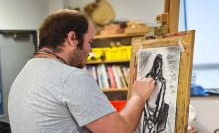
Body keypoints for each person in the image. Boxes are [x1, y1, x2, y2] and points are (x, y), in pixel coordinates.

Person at [8, 9, 156, 133]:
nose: (91, 50)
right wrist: (139, 96)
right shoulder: (70, 77)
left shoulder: (24, 74)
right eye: (90, 42)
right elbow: (118, 130)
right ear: (72, 38)